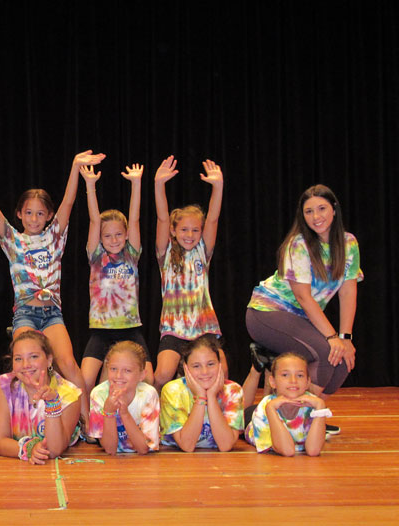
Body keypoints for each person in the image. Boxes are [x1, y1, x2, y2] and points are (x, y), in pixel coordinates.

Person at [0, 151, 105, 428]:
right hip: (25, 315)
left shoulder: (54, 236)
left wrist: (75, 166)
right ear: (19, 214)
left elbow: (68, 202)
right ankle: (14, 422)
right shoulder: (12, 240)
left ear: (49, 215)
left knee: (68, 365)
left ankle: (88, 423)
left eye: (40, 213)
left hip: (52, 314)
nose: (34, 218)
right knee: (22, 366)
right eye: (28, 212)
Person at [245, 184, 362, 435]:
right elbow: (303, 297)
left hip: (300, 318)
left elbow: (348, 292)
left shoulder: (348, 243)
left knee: (342, 360)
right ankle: (295, 420)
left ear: (334, 209)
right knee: (326, 351)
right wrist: (332, 337)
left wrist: (345, 338)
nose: (316, 216)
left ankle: (305, 416)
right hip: (267, 312)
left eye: (322, 209)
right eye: (309, 211)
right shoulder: (298, 244)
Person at [152, 155, 227, 392]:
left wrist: (218, 187)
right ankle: (157, 409)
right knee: (162, 375)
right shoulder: (165, 253)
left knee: (222, 373)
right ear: (173, 231)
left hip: (204, 326)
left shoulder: (202, 252)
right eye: (184, 229)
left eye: (195, 230)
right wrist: (159, 185)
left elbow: (213, 218)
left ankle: (214, 410)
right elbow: (162, 217)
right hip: (174, 327)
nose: (190, 234)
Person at [79, 161, 154, 391]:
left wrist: (136, 184)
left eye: (119, 234)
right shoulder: (96, 256)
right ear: (100, 238)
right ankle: (91, 415)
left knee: (149, 379)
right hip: (101, 330)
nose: (114, 240)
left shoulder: (131, 254)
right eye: (108, 236)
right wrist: (90, 186)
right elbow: (94, 220)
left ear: (126, 234)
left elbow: (135, 219)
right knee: (85, 381)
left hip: (130, 328)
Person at [0, 330, 81, 465]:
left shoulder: (69, 393)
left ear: (49, 360)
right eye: (18, 358)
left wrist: (52, 403)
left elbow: (54, 450)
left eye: (33, 357)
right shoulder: (4, 385)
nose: (25, 365)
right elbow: (0, 441)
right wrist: (29, 449)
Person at [160, 336, 243, 452]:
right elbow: (187, 446)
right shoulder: (172, 391)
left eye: (210, 364)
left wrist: (211, 397)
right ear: (186, 368)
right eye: (196, 366)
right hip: (177, 458)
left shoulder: (233, 390)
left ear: (220, 365)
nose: (205, 372)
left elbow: (225, 445)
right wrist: (200, 397)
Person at [244, 353, 328, 457]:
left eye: (300, 375)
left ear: (308, 382)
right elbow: (287, 451)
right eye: (285, 375)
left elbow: (313, 451)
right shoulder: (263, 410)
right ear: (273, 382)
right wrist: (270, 409)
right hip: (250, 419)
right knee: (244, 416)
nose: (293, 381)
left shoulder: (313, 405)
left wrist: (320, 406)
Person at [86, 341, 159, 456]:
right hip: (113, 460)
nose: (118, 376)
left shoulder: (149, 395)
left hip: (142, 460)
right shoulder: (98, 394)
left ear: (142, 375)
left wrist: (124, 413)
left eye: (127, 370)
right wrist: (109, 412)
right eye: (113, 369)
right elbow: (110, 449)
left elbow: (143, 449)